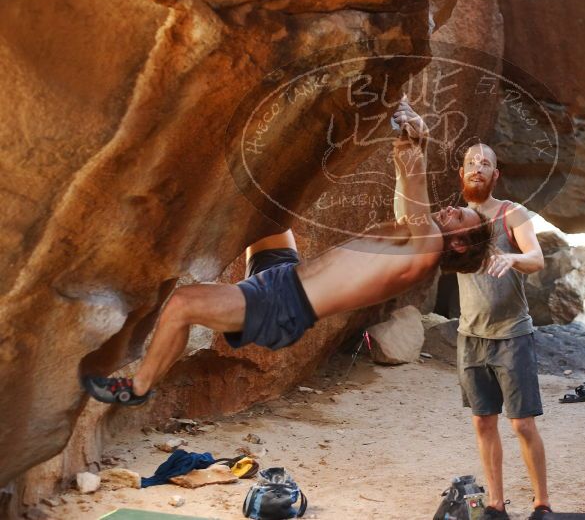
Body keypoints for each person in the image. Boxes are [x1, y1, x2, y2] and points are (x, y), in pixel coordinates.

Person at [83, 99, 493, 406]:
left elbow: (416, 176)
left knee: (181, 305)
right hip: (285, 275)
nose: (454, 209)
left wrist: (419, 137)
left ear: (458, 244)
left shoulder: (425, 249)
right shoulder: (414, 237)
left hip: (283, 303)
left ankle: (138, 388)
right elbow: (407, 172)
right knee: (264, 213)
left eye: (461, 219)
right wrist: (399, 114)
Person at [455, 143, 551, 520]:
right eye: (471, 163)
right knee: (483, 420)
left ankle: (541, 503)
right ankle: (496, 503)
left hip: (512, 334)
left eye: (486, 164)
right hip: (471, 335)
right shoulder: (455, 220)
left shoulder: (513, 213)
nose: (478, 168)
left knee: (522, 424)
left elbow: (537, 258)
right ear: (461, 174)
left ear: (496, 175)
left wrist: (512, 257)